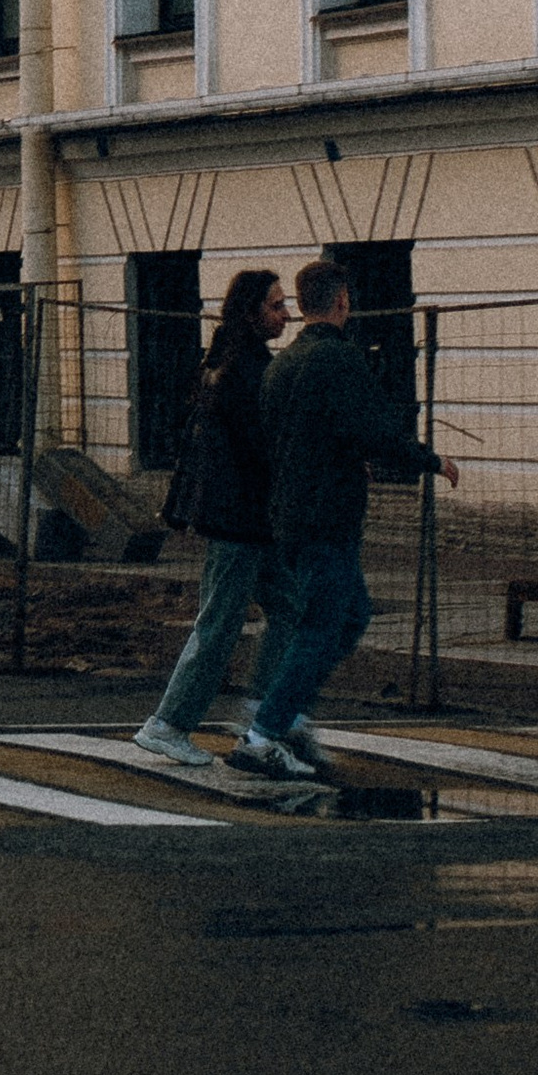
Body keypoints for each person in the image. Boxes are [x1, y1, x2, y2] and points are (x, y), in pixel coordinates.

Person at [227, 256, 458, 785]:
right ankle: (263, 734)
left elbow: (299, 436)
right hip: (326, 515)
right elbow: (373, 431)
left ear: (304, 302)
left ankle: (287, 713)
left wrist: (344, 457)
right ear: (342, 301)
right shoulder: (339, 360)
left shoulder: (282, 366)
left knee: (353, 614)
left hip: (291, 513)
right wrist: (429, 460)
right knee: (320, 627)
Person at [133, 269, 294, 767]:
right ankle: (168, 724)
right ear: (250, 312)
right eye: (275, 305)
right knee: (220, 624)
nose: (286, 315)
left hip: (249, 517)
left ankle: (262, 714)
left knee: (291, 609)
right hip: (240, 519)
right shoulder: (246, 368)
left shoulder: (231, 359)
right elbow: (262, 446)